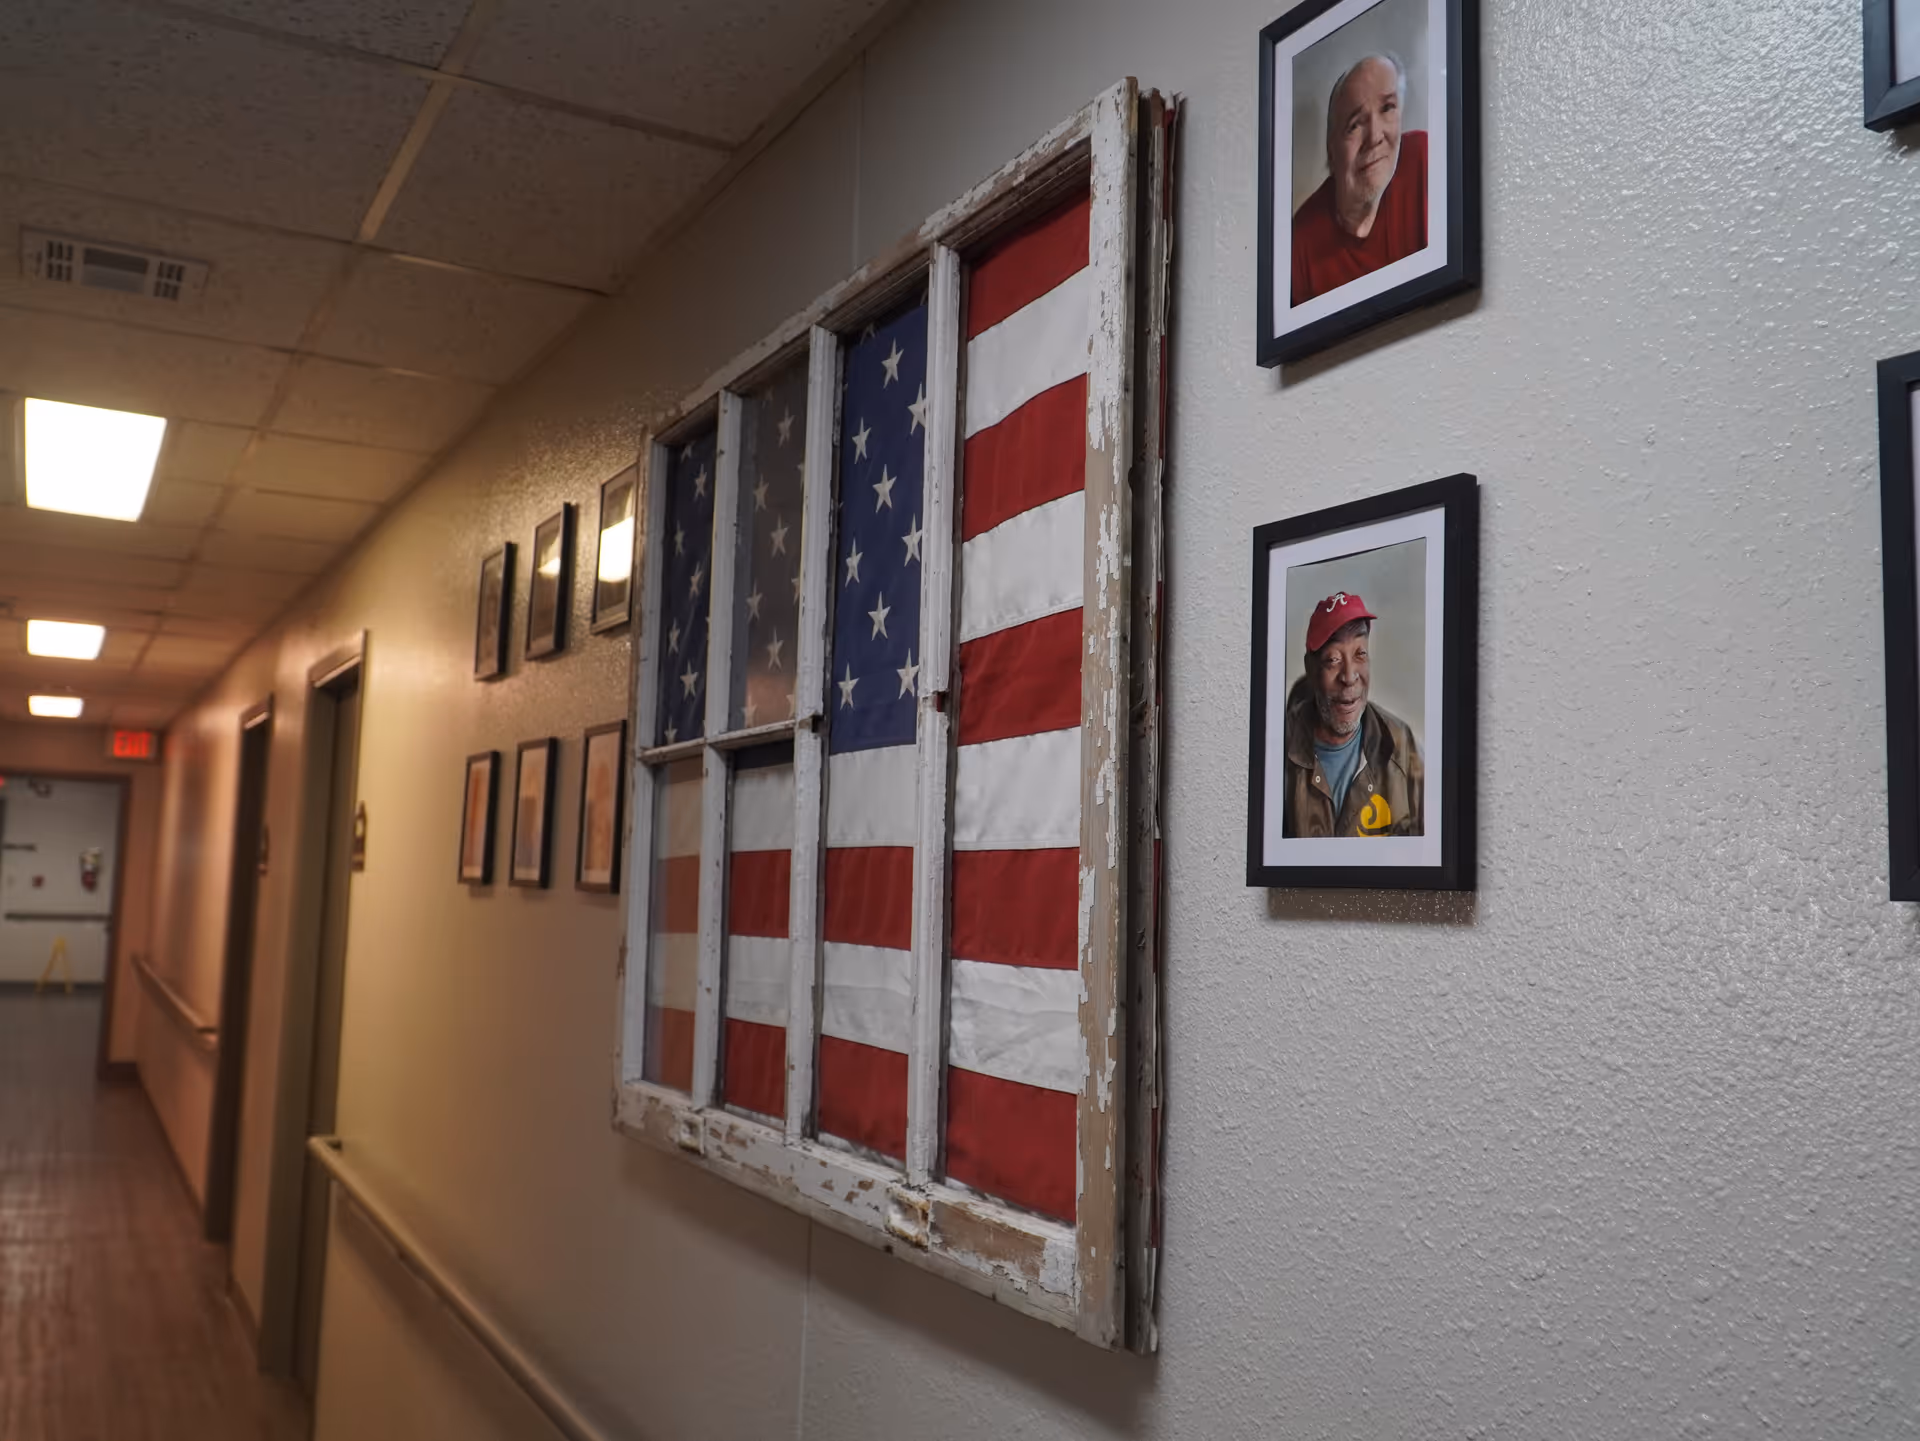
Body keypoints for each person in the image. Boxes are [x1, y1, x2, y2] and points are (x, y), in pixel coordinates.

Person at [1281, 591, 1424, 838]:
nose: (1349, 677)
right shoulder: (1275, 747)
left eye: (1360, 654)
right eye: (1333, 659)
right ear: (1310, 669)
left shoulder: (1401, 745)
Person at [1290, 52, 1429, 307]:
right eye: (1354, 125)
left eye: (1387, 108)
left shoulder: (1426, 160)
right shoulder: (1299, 244)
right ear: (1332, 150)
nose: (1375, 136)